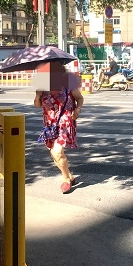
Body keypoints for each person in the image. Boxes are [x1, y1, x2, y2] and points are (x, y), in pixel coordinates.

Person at [34, 61, 84, 194]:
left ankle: (66, 179)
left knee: (57, 152)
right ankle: (69, 176)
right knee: (54, 154)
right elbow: (37, 105)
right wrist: (38, 96)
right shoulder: (43, 86)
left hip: (65, 122)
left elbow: (79, 98)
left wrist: (78, 109)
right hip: (49, 125)